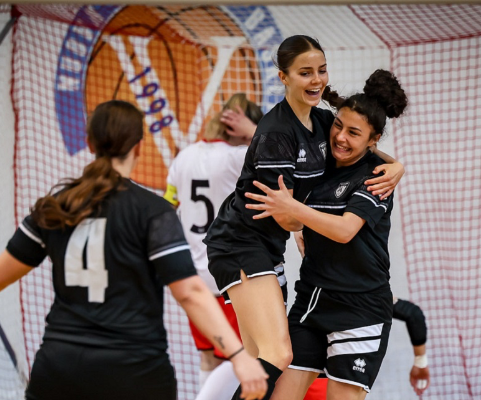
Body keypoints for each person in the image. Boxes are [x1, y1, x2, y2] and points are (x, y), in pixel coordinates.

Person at [0, 100, 268, 400]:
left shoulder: (57, 206)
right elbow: (190, 293)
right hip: (134, 371)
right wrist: (238, 355)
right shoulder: (153, 212)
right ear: (139, 147)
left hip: (59, 368)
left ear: (90, 143)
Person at [204, 35, 404, 400]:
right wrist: (303, 219)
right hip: (241, 244)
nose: (316, 79)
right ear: (283, 76)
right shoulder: (277, 134)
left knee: (260, 359)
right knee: (278, 354)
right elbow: (288, 220)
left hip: (272, 252)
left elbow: (362, 151)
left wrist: (398, 166)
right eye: (305, 72)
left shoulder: (323, 121)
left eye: (321, 70)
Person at [164, 93, 262, 399]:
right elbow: (275, 153)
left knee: (209, 356)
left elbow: (168, 207)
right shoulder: (238, 157)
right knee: (246, 356)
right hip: (230, 275)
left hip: (196, 278)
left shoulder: (183, 158)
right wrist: (254, 133)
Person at [294, 234, 431, 399]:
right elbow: (413, 314)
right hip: (326, 382)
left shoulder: (309, 298)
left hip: (311, 383)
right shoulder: (360, 294)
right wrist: (420, 363)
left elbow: (413, 314)